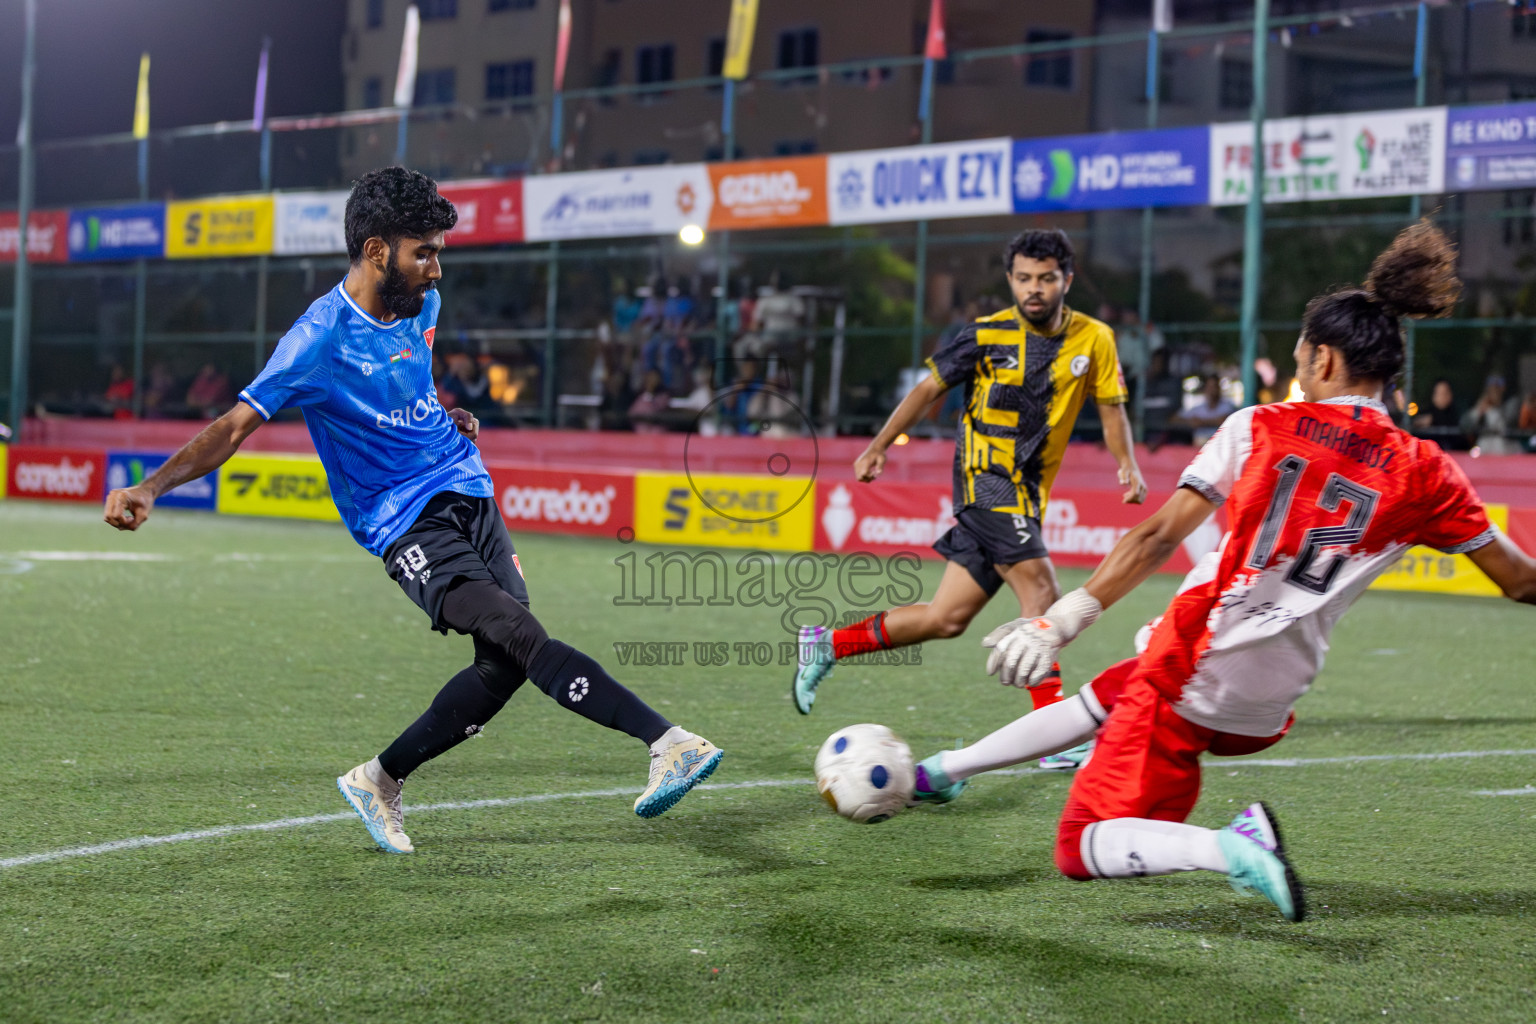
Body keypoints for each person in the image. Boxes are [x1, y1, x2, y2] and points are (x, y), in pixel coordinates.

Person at [910, 221, 1536, 921]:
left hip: (1195, 666)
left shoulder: (1261, 426)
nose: (1295, 363)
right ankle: (940, 772)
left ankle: (1231, 846)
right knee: (1110, 696)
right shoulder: (1427, 471)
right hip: (1269, 700)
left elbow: (1153, 536)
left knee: (1078, 847)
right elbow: (1520, 581)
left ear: (1325, 359)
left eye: (1300, 352)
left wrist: (1062, 619)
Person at [102, 167, 722, 854]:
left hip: (468, 486)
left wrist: (443, 415)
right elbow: (234, 427)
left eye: (437, 250)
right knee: (516, 632)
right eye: (422, 251)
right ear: (376, 252)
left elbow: (410, 385)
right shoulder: (317, 340)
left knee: (503, 665)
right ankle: (666, 741)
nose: (436, 267)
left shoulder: (420, 305)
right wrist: (150, 487)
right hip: (404, 521)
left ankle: (380, 779)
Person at [793, 228, 1148, 771]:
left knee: (945, 617)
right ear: (1010, 280)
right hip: (986, 483)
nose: (1034, 289)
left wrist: (1126, 461)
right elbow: (927, 389)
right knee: (1043, 595)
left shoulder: (1095, 338)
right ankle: (1052, 737)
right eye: (1024, 279)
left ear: (1066, 280)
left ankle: (829, 644)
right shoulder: (984, 334)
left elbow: (1111, 407)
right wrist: (880, 445)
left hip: (1025, 496)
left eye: (1046, 279)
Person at [1173, 373, 1236, 445]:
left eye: (1214, 387)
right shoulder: (1198, 407)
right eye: (1209, 387)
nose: (1211, 390)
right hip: (1199, 445)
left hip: (1220, 443)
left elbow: (1223, 420)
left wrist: (1202, 422)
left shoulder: (1227, 405)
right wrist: (1189, 421)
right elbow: (1175, 418)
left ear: (1219, 388)